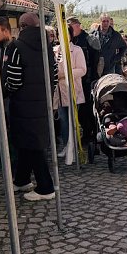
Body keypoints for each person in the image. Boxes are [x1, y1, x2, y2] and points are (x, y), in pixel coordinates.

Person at [4, 12, 58, 201]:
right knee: (27, 142)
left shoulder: (16, 47)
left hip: (23, 103)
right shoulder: (48, 47)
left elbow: (13, 79)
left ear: (21, 26)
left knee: (33, 145)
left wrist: (9, 91)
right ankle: (22, 180)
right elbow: (55, 75)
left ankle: (46, 187)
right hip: (43, 102)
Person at [67, 16, 101, 159]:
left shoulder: (89, 39)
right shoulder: (71, 40)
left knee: (88, 109)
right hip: (75, 80)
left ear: (77, 25)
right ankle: (86, 133)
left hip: (87, 80)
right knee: (80, 111)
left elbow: (97, 61)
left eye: (70, 25)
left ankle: (92, 135)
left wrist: (95, 79)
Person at [53, 25, 87, 156]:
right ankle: (67, 146)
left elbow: (82, 70)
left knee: (72, 121)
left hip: (72, 91)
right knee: (63, 121)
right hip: (60, 93)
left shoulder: (77, 50)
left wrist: (66, 73)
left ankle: (74, 146)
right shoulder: (55, 50)